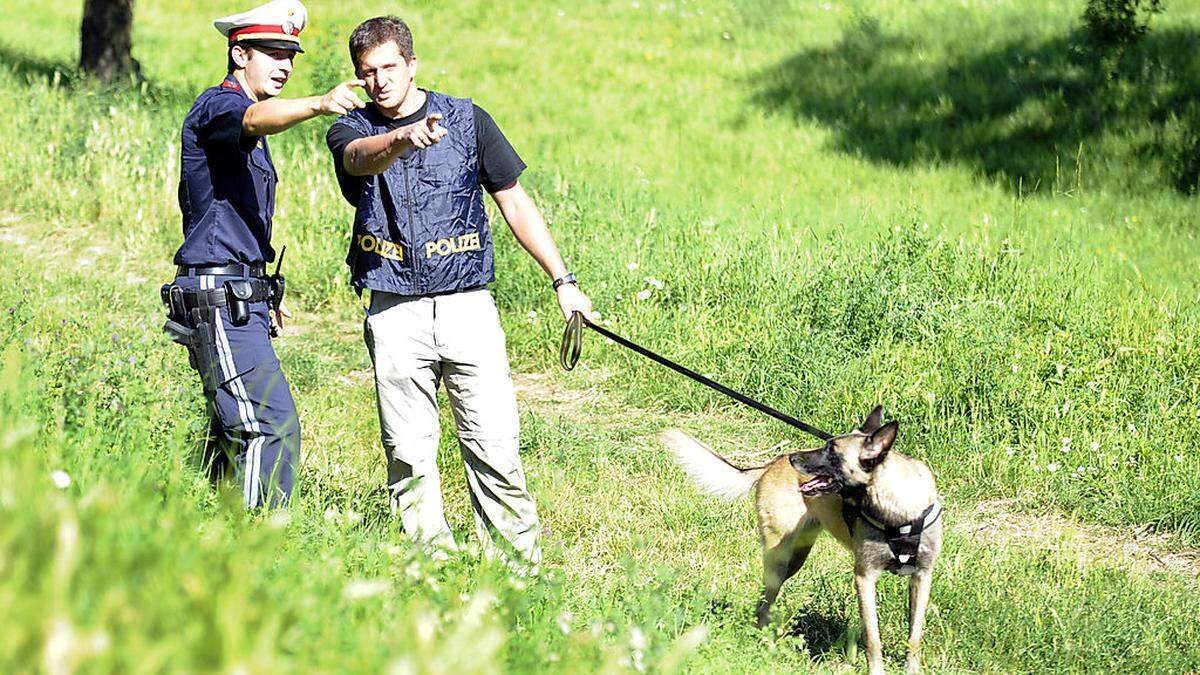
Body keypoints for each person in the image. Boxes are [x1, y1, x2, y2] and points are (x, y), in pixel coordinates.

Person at [325, 16, 592, 565]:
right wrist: (401, 137)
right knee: (409, 453)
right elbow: (358, 161)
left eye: (389, 67)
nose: (379, 81)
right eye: (367, 72)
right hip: (394, 309)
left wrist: (563, 281)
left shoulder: (468, 119)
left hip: (468, 307)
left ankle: (517, 572)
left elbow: (514, 201)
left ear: (412, 64)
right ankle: (431, 569)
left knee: (495, 446)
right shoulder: (350, 129)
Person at [162, 0, 365, 508]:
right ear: (239, 54)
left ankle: (202, 537)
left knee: (233, 430)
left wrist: (259, 291)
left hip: (238, 295)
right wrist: (319, 103)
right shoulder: (220, 107)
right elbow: (253, 118)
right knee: (269, 428)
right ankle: (255, 558)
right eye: (273, 53)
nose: (285, 65)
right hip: (217, 296)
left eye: (290, 55)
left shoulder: (245, 120)